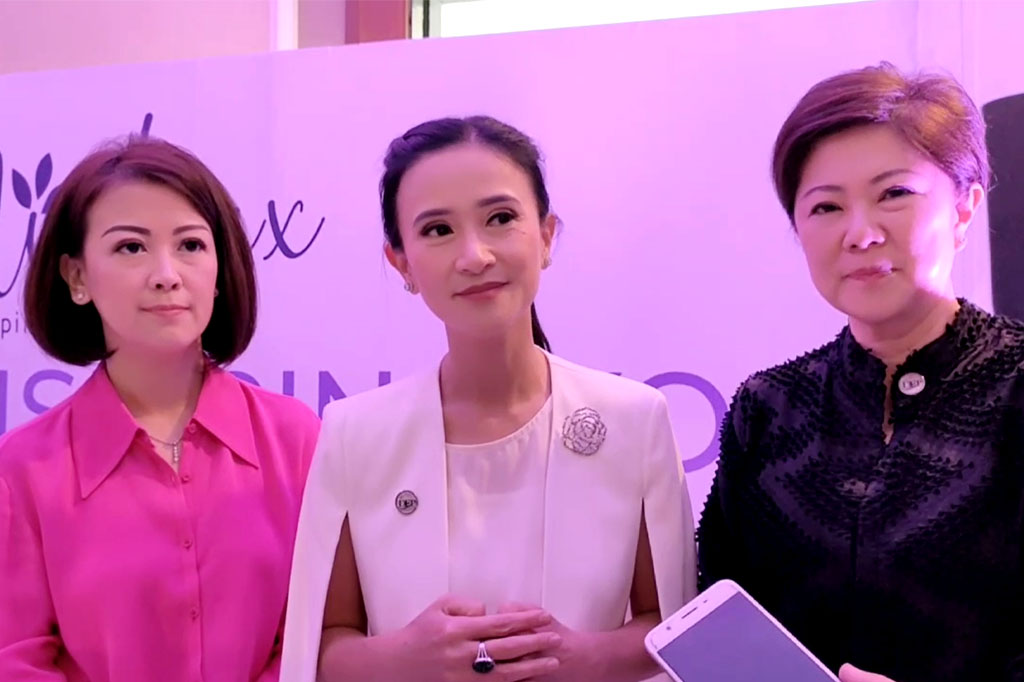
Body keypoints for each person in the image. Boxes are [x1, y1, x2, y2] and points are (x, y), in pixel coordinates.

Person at [281, 115, 696, 681]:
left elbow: (673, 625)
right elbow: (320, 649)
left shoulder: (634, 420)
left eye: (500, 218)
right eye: (437, 230)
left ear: (546, 235)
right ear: (401, 262)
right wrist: (407, 658)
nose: (474, 255)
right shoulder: (357, 433)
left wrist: (584, 659)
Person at [697, 63, 1023, 682]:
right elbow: (719, 607)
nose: (860, 234)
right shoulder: (768, 407)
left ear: (964, 208)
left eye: (893, 194)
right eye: (825, 206)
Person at [0, 136, 321, 681]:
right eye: (131, 248)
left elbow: (316, 636)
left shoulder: (296, 439)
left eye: (191, 245)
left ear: (219, 271)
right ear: (77, 277)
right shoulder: (23, 467)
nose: (166, 274)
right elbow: (17, 659)